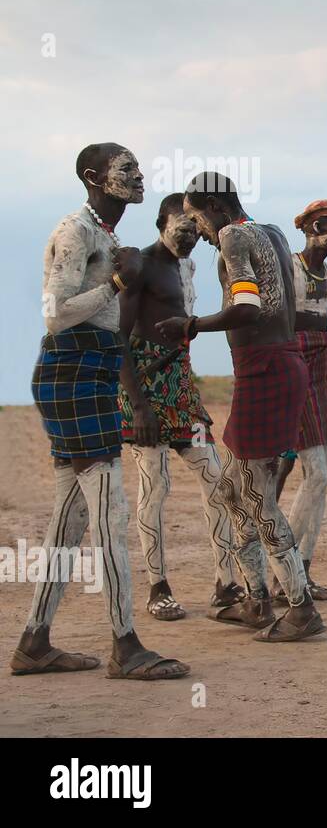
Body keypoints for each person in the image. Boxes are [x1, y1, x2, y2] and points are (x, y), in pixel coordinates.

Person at [14, 143, 189, 680]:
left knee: (73, 515)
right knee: (111, 510)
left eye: (139, 168)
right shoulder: (78, 232)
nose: (140, 177)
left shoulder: (108, 236)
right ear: (93, 177)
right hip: (71, 372)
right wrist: (118, 282)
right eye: (126, 170)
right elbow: (55, 314)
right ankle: (126, 644)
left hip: (93, 372)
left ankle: (35, 643)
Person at [158, 171, 326, 640]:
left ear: (213, 206)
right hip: (276, 367)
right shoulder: (270, 232)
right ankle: (256, 599)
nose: (198, 232)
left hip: (266, 370)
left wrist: (189, 325)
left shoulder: (233, 235)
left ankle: (301, 607)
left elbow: (250, 308)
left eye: (196, 218)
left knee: (256, 496)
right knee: (232, 493)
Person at [118, 193, 242, 620]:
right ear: (161, 221)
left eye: (195, 226)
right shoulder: (143, 267)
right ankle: (158, 587)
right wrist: (137, 406)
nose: (191, 233)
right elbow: (120, 339)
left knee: (215, 477)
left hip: (181, 388)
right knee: (155, 484)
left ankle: (226, 584)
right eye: (182, 226)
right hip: (147, 387)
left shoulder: (187, 267)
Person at [277, 199, 327, 601]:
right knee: (317, 474)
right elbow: (276, 323)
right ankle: (284, 569)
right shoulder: (288, 266)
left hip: (322, 364)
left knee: (319, 480)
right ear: (314, 227)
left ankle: (301, 571)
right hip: (296, 365)